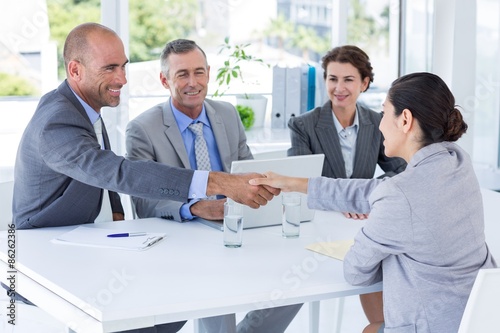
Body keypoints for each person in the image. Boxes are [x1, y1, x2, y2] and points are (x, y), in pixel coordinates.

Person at [11, 23, 278, 333]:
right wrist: (215, 183)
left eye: (123, 67)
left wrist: (118, 215)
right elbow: (115, 171)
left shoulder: (81, 108)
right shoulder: (57, 120)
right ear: (75, 70)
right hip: (44, 253)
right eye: (110, 68)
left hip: (90, 237)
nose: (122, 79)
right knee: (167, 296)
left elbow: (99, 172)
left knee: (182, 291)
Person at [250, 72, 497, 332]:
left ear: (405, 120)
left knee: (371, 328)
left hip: (432, 325)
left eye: (384, 113)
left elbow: (355, 272)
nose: (379, 125)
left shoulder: (400, 196)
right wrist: (295, 183)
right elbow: (376, 189)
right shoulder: (457, 161)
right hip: (480, 319)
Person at [125, 38, 302, 333]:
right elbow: (144, 203)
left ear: (208, 73)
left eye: (199, 72)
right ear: (164, 80)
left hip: (237, 227)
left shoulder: (228, 114)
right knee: (214, 286)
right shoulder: (143, 129)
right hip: (181, 240)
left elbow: (249, 174)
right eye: (182, 74)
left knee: (296, 276)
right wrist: (197, 208)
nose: (192, 82)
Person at [287, 45, 406, 220]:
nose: (339, 88)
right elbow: (298, 181)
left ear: (364, 84)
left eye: (348, 80)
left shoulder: (377, 123)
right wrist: (340, 199)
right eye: (333, 79)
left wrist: (363, 195)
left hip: (363, 218)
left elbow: (402, 170)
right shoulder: (302, 125)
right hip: (320, 218)